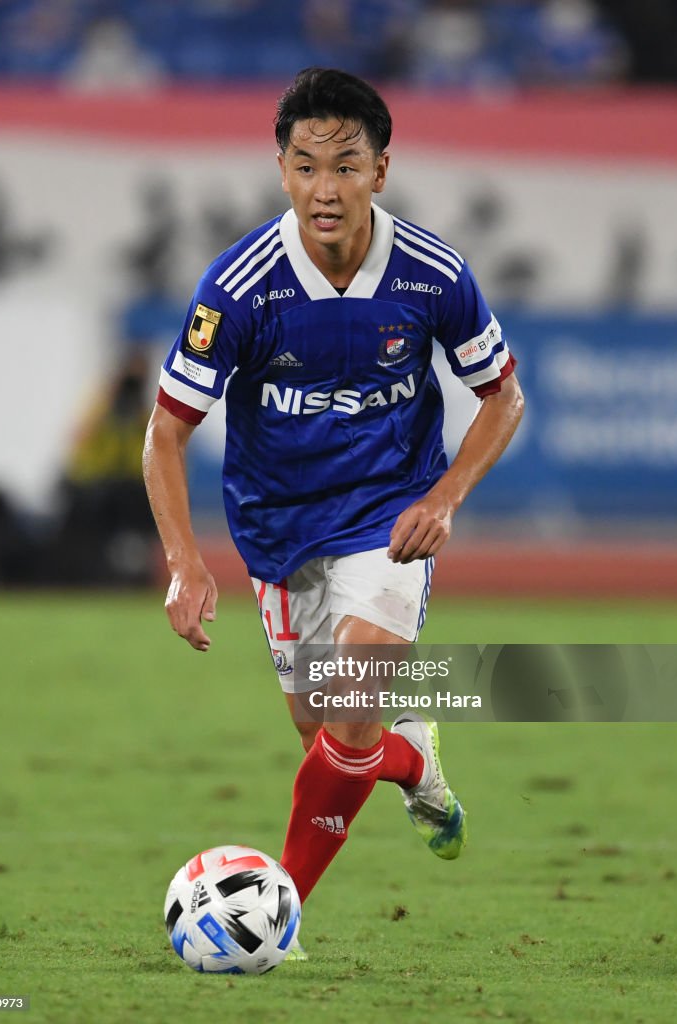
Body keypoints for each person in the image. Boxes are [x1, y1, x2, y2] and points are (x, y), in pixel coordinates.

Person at [143, 68, 524, 942]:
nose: (326, 187)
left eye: (347, 166)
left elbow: (503, 396)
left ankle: (270, 917)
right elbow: (164, 433)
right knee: (331, 740)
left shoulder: (433, 276)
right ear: (281, 169)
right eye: (307, 165)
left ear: (381, 171)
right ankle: (411, 756)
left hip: (386, 521)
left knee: (350, 703)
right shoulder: (239, 287)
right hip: (278, 531)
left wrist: (445, 496)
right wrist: (185, 562)